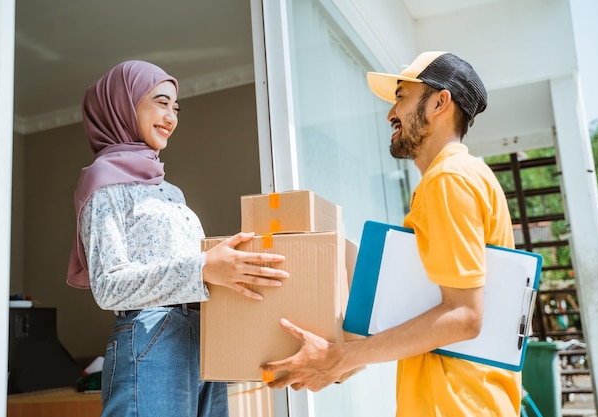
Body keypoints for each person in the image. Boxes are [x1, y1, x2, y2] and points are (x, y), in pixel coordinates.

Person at [261, 51, 522, 416]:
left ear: (439, 102)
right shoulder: (459, 177)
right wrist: (347, 360)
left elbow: (464, 316)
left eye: (401, 96)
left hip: (455, 406)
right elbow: (428, 310)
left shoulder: (449, 180)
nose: (390, 114)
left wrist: (339, 358)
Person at [66, 60, 289, 417]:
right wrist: (202, 268)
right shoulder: (103, 184)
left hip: (203, 339)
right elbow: (107, 286)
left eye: (176, 107)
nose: (171, 116)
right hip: (153, 338)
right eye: (160, 102)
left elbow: (198, 271)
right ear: (124, 104)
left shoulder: (171, 192)